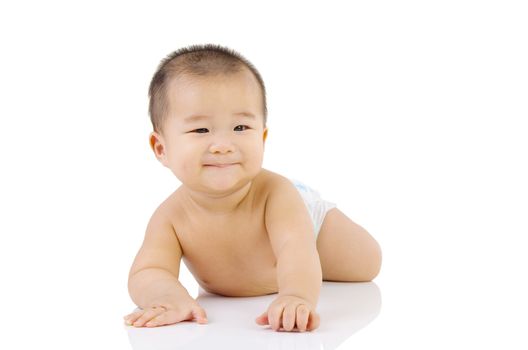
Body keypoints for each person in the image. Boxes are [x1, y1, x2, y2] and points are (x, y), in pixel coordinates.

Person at [124, 44, 382, 332]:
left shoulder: (275, 194)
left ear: (263, 136)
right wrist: (167, 297)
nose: (223, 146)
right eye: (200, 130)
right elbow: (149, 270)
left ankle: (314, 266)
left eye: (240, 128)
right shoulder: (170, 217)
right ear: (161, 148)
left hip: (308, 224)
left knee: (367, 262)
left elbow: (294, 249)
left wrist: (296, 295)